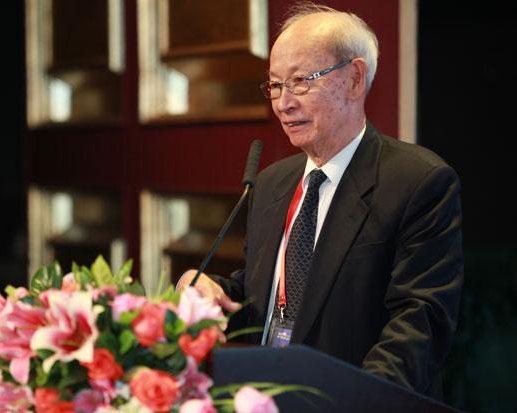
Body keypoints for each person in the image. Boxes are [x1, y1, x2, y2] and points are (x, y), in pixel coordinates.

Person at [177, 2, 463, 400]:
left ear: (354, 79)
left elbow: (418, 326)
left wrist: (350, 401)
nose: (283, 103)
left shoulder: (418, 183)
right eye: (275, 85)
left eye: (300, 82)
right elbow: (266, 294)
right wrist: (208, 292)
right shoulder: (271, 183)